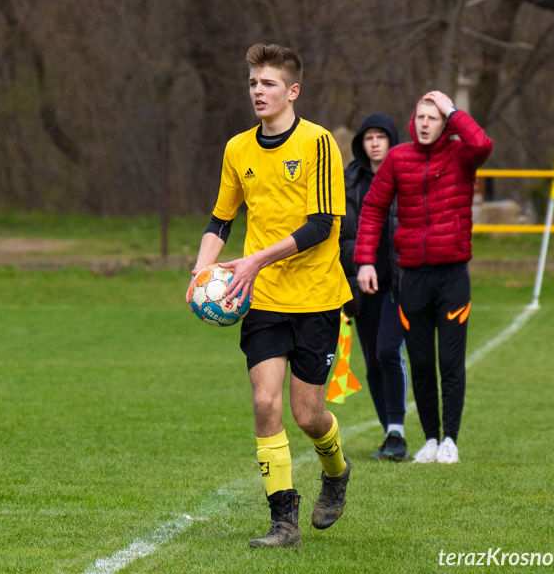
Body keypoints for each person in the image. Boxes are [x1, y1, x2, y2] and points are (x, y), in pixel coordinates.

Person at [186, 43, 353, 548]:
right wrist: (200, 269)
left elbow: (323, 225)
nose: (258, 91)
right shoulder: (238, 148)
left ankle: (336, 471)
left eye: (269, 84)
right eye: (254, 83)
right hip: (261, 299)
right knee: (264, 403)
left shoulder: (318, 143)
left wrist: (255, 258)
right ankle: (283, 520)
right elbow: (221, 218)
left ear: (292, 91)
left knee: (308, 415)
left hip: (318, 296)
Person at [355, 91, 493, 464]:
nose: (426, 123)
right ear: (413, 122)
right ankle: (430, 439)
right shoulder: (399, 158)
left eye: (434, 117)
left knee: (449, 361)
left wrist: (453, 109)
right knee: (419, 362)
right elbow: (372, 209)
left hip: (452, 277)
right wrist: (365, 260)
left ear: (445, 121)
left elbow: (482, 143)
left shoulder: (461, 155)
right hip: (411, 277)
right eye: (421, 117)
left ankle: (450, 440)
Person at [339, 113, 410, 461]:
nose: (375, 142)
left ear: (392, 140)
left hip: (398, 282)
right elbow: (339, 233)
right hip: (360, 286)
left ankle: (397, 430)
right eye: (369, 137)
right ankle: (390, 436)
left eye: (382, 136)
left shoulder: (404, 174)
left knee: (388, 351)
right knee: (372, 364)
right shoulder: (347, 180)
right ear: (361, 143)